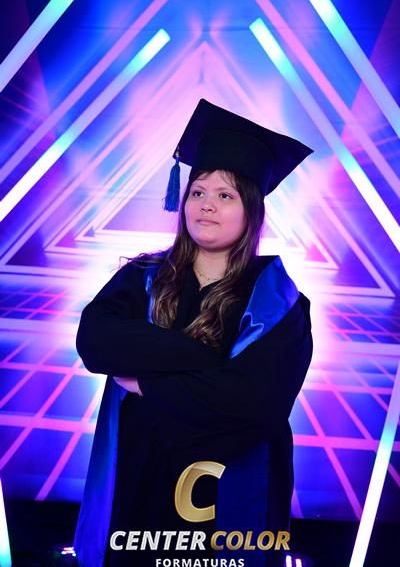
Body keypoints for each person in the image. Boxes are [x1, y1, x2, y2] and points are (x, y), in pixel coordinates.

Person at [73, 99, 314, 566]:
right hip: (140, 475)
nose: (206, 204)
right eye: (198, 191)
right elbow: (96, 343)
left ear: (251, 210)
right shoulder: (142, 277)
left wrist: (146, 382)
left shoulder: (277, 302)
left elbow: (258, 404)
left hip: (226, 486)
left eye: (226, 196)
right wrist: (208, 363)